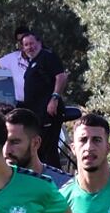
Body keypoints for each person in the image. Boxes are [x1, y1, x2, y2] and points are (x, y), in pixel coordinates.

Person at [14, 29, 70, 168]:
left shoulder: (47, 56)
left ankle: (55, 178)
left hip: (48, 112)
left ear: (39, 43)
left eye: (31, 43)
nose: (29, 47)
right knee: (40, 151)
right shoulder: (33, 62)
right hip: (37, 115)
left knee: (48, 151)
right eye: (26, 45)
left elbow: (61, 77)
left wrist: (54, 98)